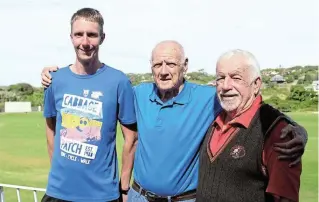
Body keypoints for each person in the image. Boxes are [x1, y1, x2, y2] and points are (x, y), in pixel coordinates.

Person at [41, 41, 307, 202]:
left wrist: (295, 128)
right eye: (158, 65)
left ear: (185, 66)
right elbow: (99, 96)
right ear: (151, 67)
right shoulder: (138, 94)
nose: (164, 71)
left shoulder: (208, 97)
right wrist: (57, 75)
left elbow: (251, 104)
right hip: (139, 196)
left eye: (171, 63)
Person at [41, 8, 137, 202]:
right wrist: (59, 177)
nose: (85, 42)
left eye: (92, 35)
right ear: (71, 38)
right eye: (79, 35)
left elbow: (132, 139)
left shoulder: (118, 81)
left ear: (102, 38)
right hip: (58, 194)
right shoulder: (55, 80)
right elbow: (50, 130)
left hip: (102, 196)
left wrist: (124, 189)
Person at [197, 49, 303, 202]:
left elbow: (285, 198)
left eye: (236, 78)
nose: (226, 86)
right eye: (220, 78)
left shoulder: (277, 132)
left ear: (256, 84)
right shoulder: (213, 114)